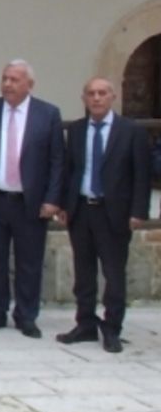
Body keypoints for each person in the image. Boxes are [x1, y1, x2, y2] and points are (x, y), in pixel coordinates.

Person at [0, 59, 63, 338]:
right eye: (5, 78)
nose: (7, 84)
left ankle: (26, 315)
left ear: (29, 85)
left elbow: (57, 160)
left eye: (14, 79)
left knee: (29, 261)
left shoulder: (48, 114)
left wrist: (53, 198)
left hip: (30, 202)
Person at [57, 77, 149, 353]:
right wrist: (64, 204)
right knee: (83, 273)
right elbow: (69, 170)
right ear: (84, 98)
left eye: (102, 93)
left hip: (115, 212)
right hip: (82, 209)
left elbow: (141, 175)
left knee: (113, 274)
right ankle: (85, 323)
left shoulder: (130, 131)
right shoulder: (76, 130)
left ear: (113, 97)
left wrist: (138, 211)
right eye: (91, 94)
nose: (96, 98)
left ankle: (112, 328)